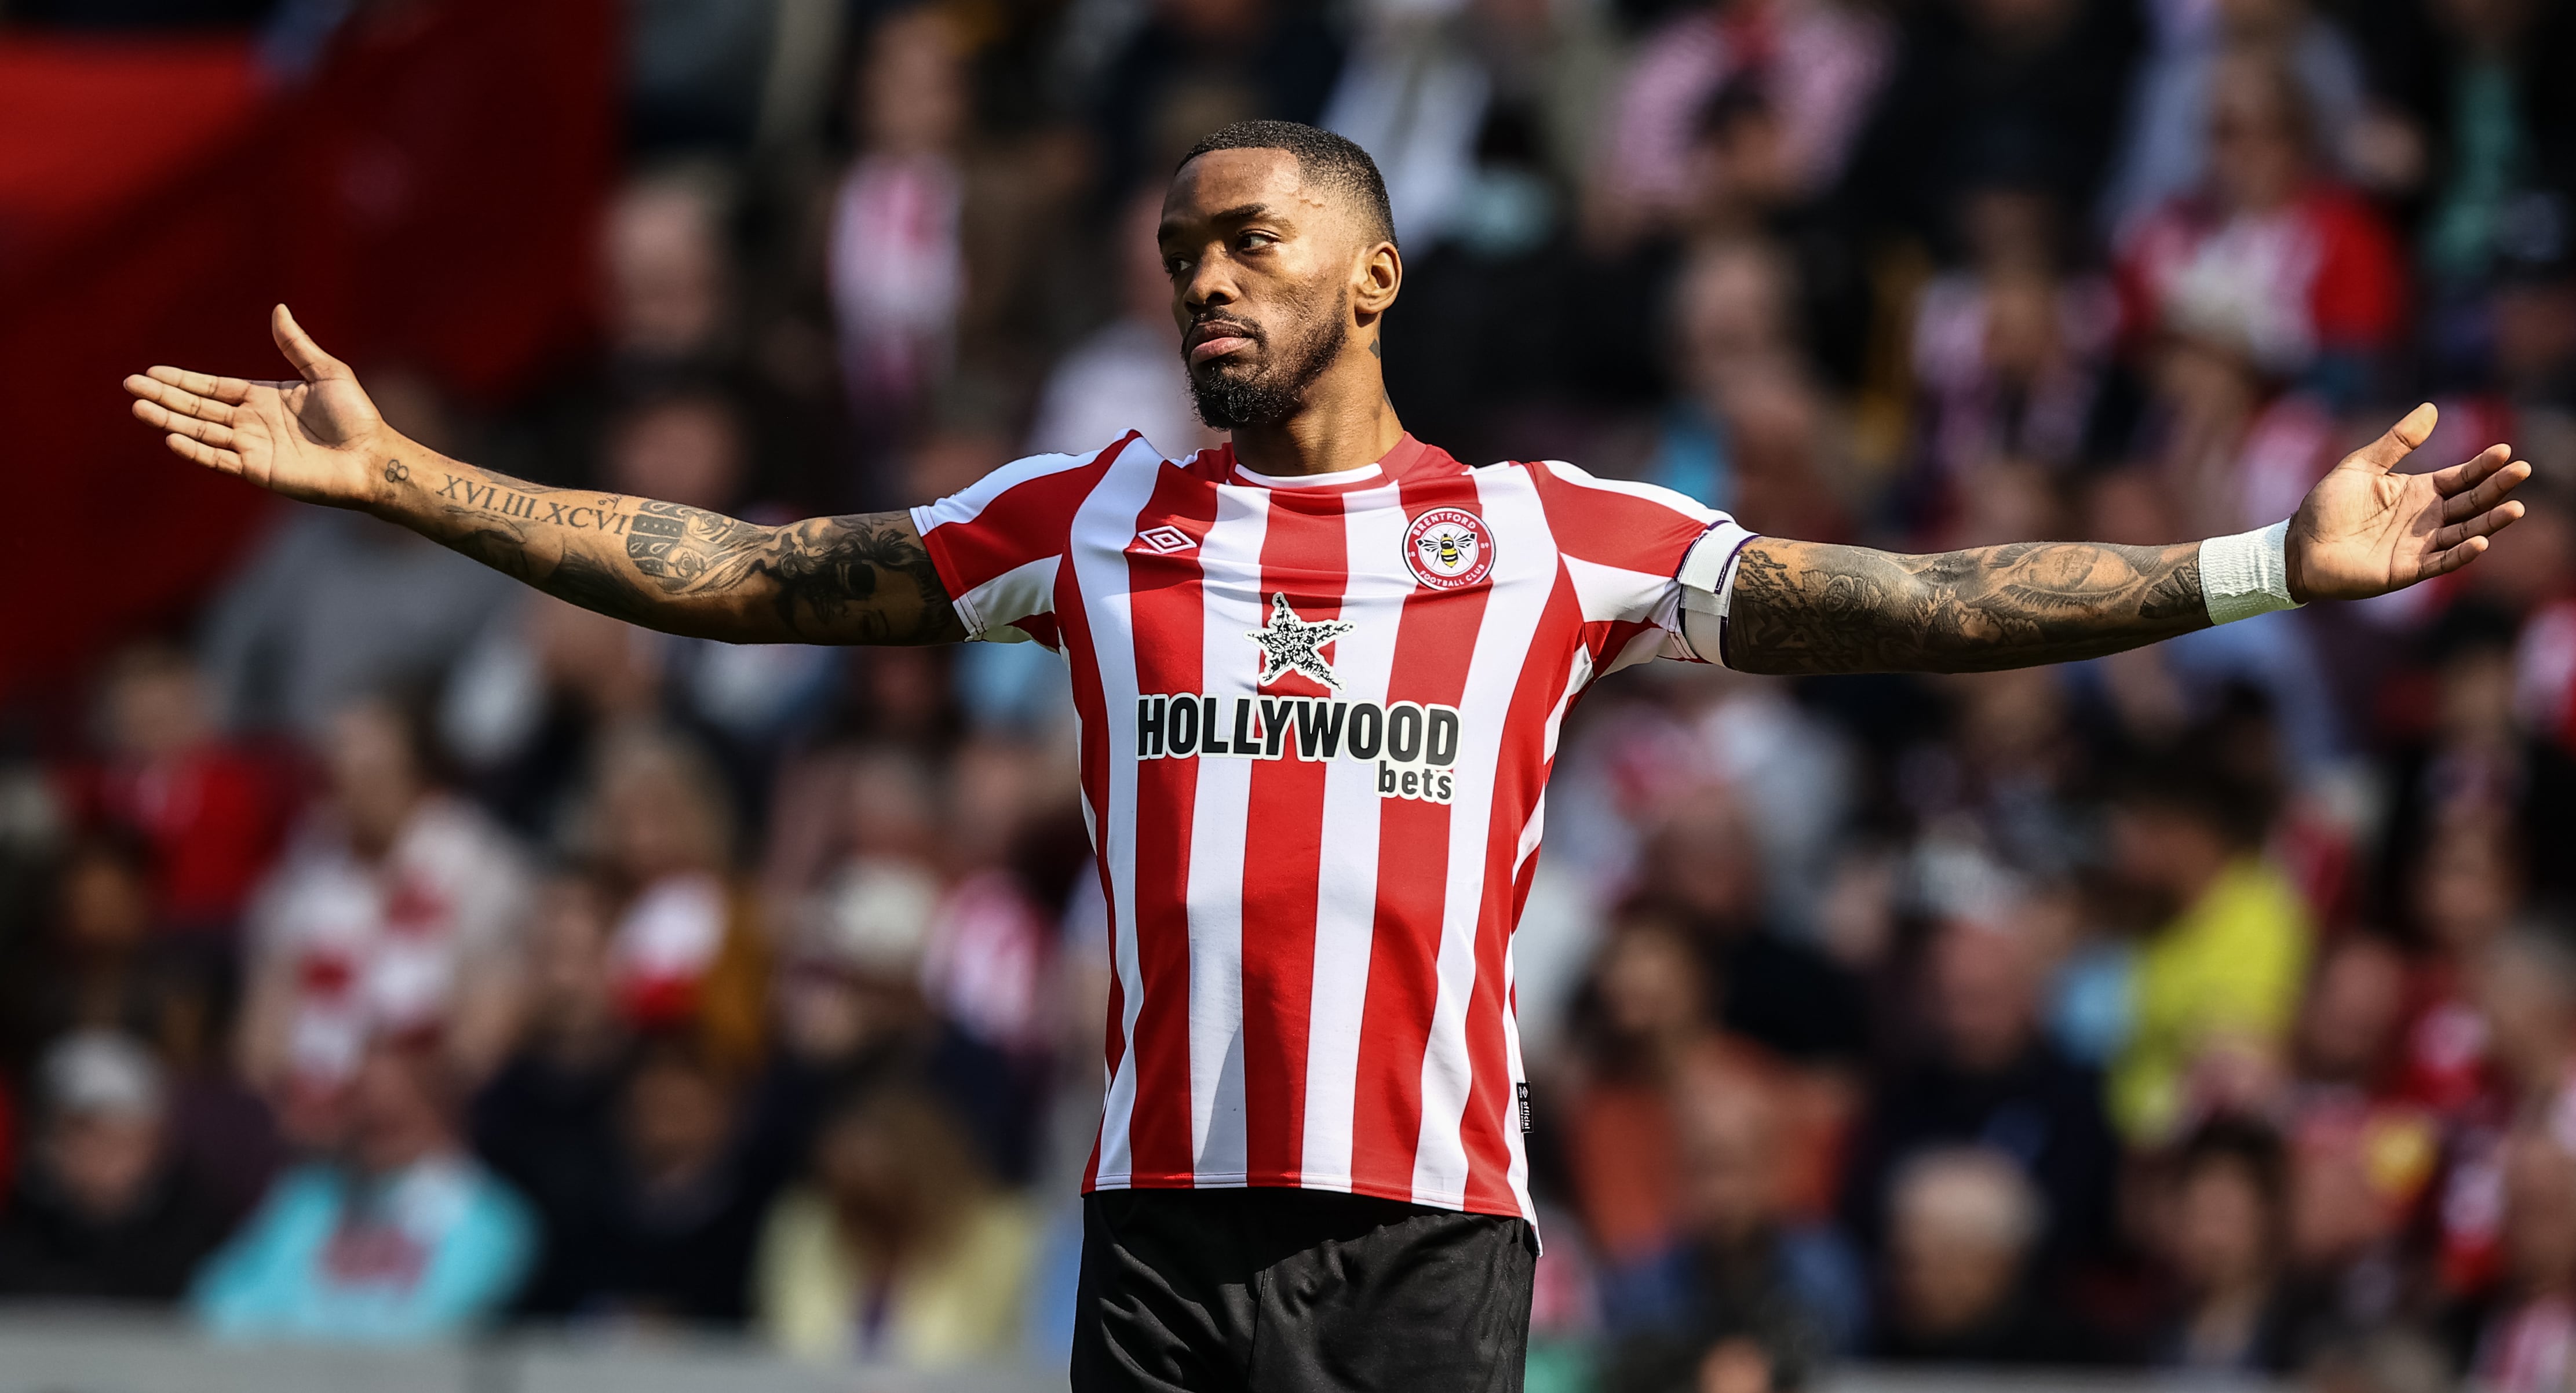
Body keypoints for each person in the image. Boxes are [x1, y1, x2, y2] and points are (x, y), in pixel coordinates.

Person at [126, 118, 2528, 1391]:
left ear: (1369, 275)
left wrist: (2258, 570)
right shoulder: (1078, 513)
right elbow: (747, 566)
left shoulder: (1538, 532)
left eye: (1250, 241)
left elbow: (1897, 603)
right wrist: (422, 480)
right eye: (1180, 249)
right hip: (1161, 1234)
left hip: (1419, 1243)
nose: (1200, 280)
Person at [190, 1034, 535, 1343]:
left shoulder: (490, 1219)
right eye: (362, 1107)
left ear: (443, 1112)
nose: (372, 1127)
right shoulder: (310, 1199)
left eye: (393, 1117)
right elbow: (220, 1304)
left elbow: (430, 1326)